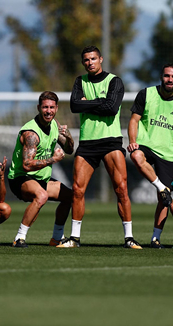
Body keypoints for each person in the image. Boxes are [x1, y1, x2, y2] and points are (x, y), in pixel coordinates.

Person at [58, 45, 141, 249]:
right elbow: (74, 106)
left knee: (121, 189)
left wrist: (89, 102)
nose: (90, 63)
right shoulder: (80, 81)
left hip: (111, 141)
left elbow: (112, 108)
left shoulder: (114, 81)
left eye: (93, 59)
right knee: (77, 189)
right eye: (86, 60)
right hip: (87, 142)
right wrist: (99, 102)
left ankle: (129, 238)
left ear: (101, 59)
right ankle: (75, 238)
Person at [127, 64, 173, 249]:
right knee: (136, 156)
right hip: (145, 145)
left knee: (164, 201)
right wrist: (132, 140)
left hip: (168, 154)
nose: (170, 79)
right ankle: (162, 187)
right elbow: (134, 120)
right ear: (161, 77)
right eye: (167, 75)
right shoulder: (146, 94)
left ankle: (155, 238)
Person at [8, 91, 74, 248]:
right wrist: (53, 159)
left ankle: (57, 238)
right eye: (45, 107)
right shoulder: (31, 133)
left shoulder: (54, 125)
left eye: (51, 107)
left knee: (70, 196)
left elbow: (70, 149)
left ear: (56, 108)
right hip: (21, 177)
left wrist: (69, 136)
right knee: (42, 195)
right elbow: (27, 165)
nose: (48, 111)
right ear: (38, 108)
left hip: (40, 178)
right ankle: (19, 237)